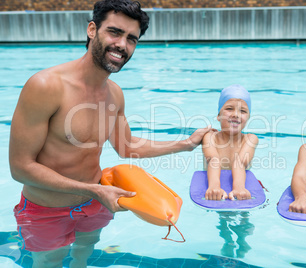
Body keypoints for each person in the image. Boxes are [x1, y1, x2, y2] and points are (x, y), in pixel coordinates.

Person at [9, 1, 211, 267]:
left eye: (131, 39)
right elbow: (20, 168)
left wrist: (186, 144)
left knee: (85, 253)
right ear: (92, 29)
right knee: (49, 264)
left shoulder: (114, 94)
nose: (122, 45)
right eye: (114, 32)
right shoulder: (46, 86)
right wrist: (92, 190)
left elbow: (127, 147)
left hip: (97, 203)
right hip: (47, 209)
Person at [202, 84, 259, 201]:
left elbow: (240, 162)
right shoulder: (210, 137)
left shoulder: (250, 139)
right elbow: (213, 160)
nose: (235, 114)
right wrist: (214, 187)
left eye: (242, 111)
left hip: (243, 186)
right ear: (218, 115)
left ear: (248, 118)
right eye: (229, 109)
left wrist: (239, 188)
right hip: (215, 185)